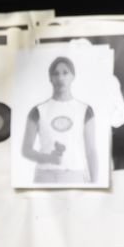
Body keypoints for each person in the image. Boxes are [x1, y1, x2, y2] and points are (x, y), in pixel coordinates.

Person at [21, 56, 98, 185]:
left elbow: (91, 150)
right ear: (50, 78)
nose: (60, 78)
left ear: (73, 76)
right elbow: (26, 150)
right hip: (44, 177)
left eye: (65, 73)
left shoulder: (85, 110)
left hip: (74, 175)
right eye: (55, 74)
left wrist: (95, 183)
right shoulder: (37, 111)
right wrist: (48, 158)